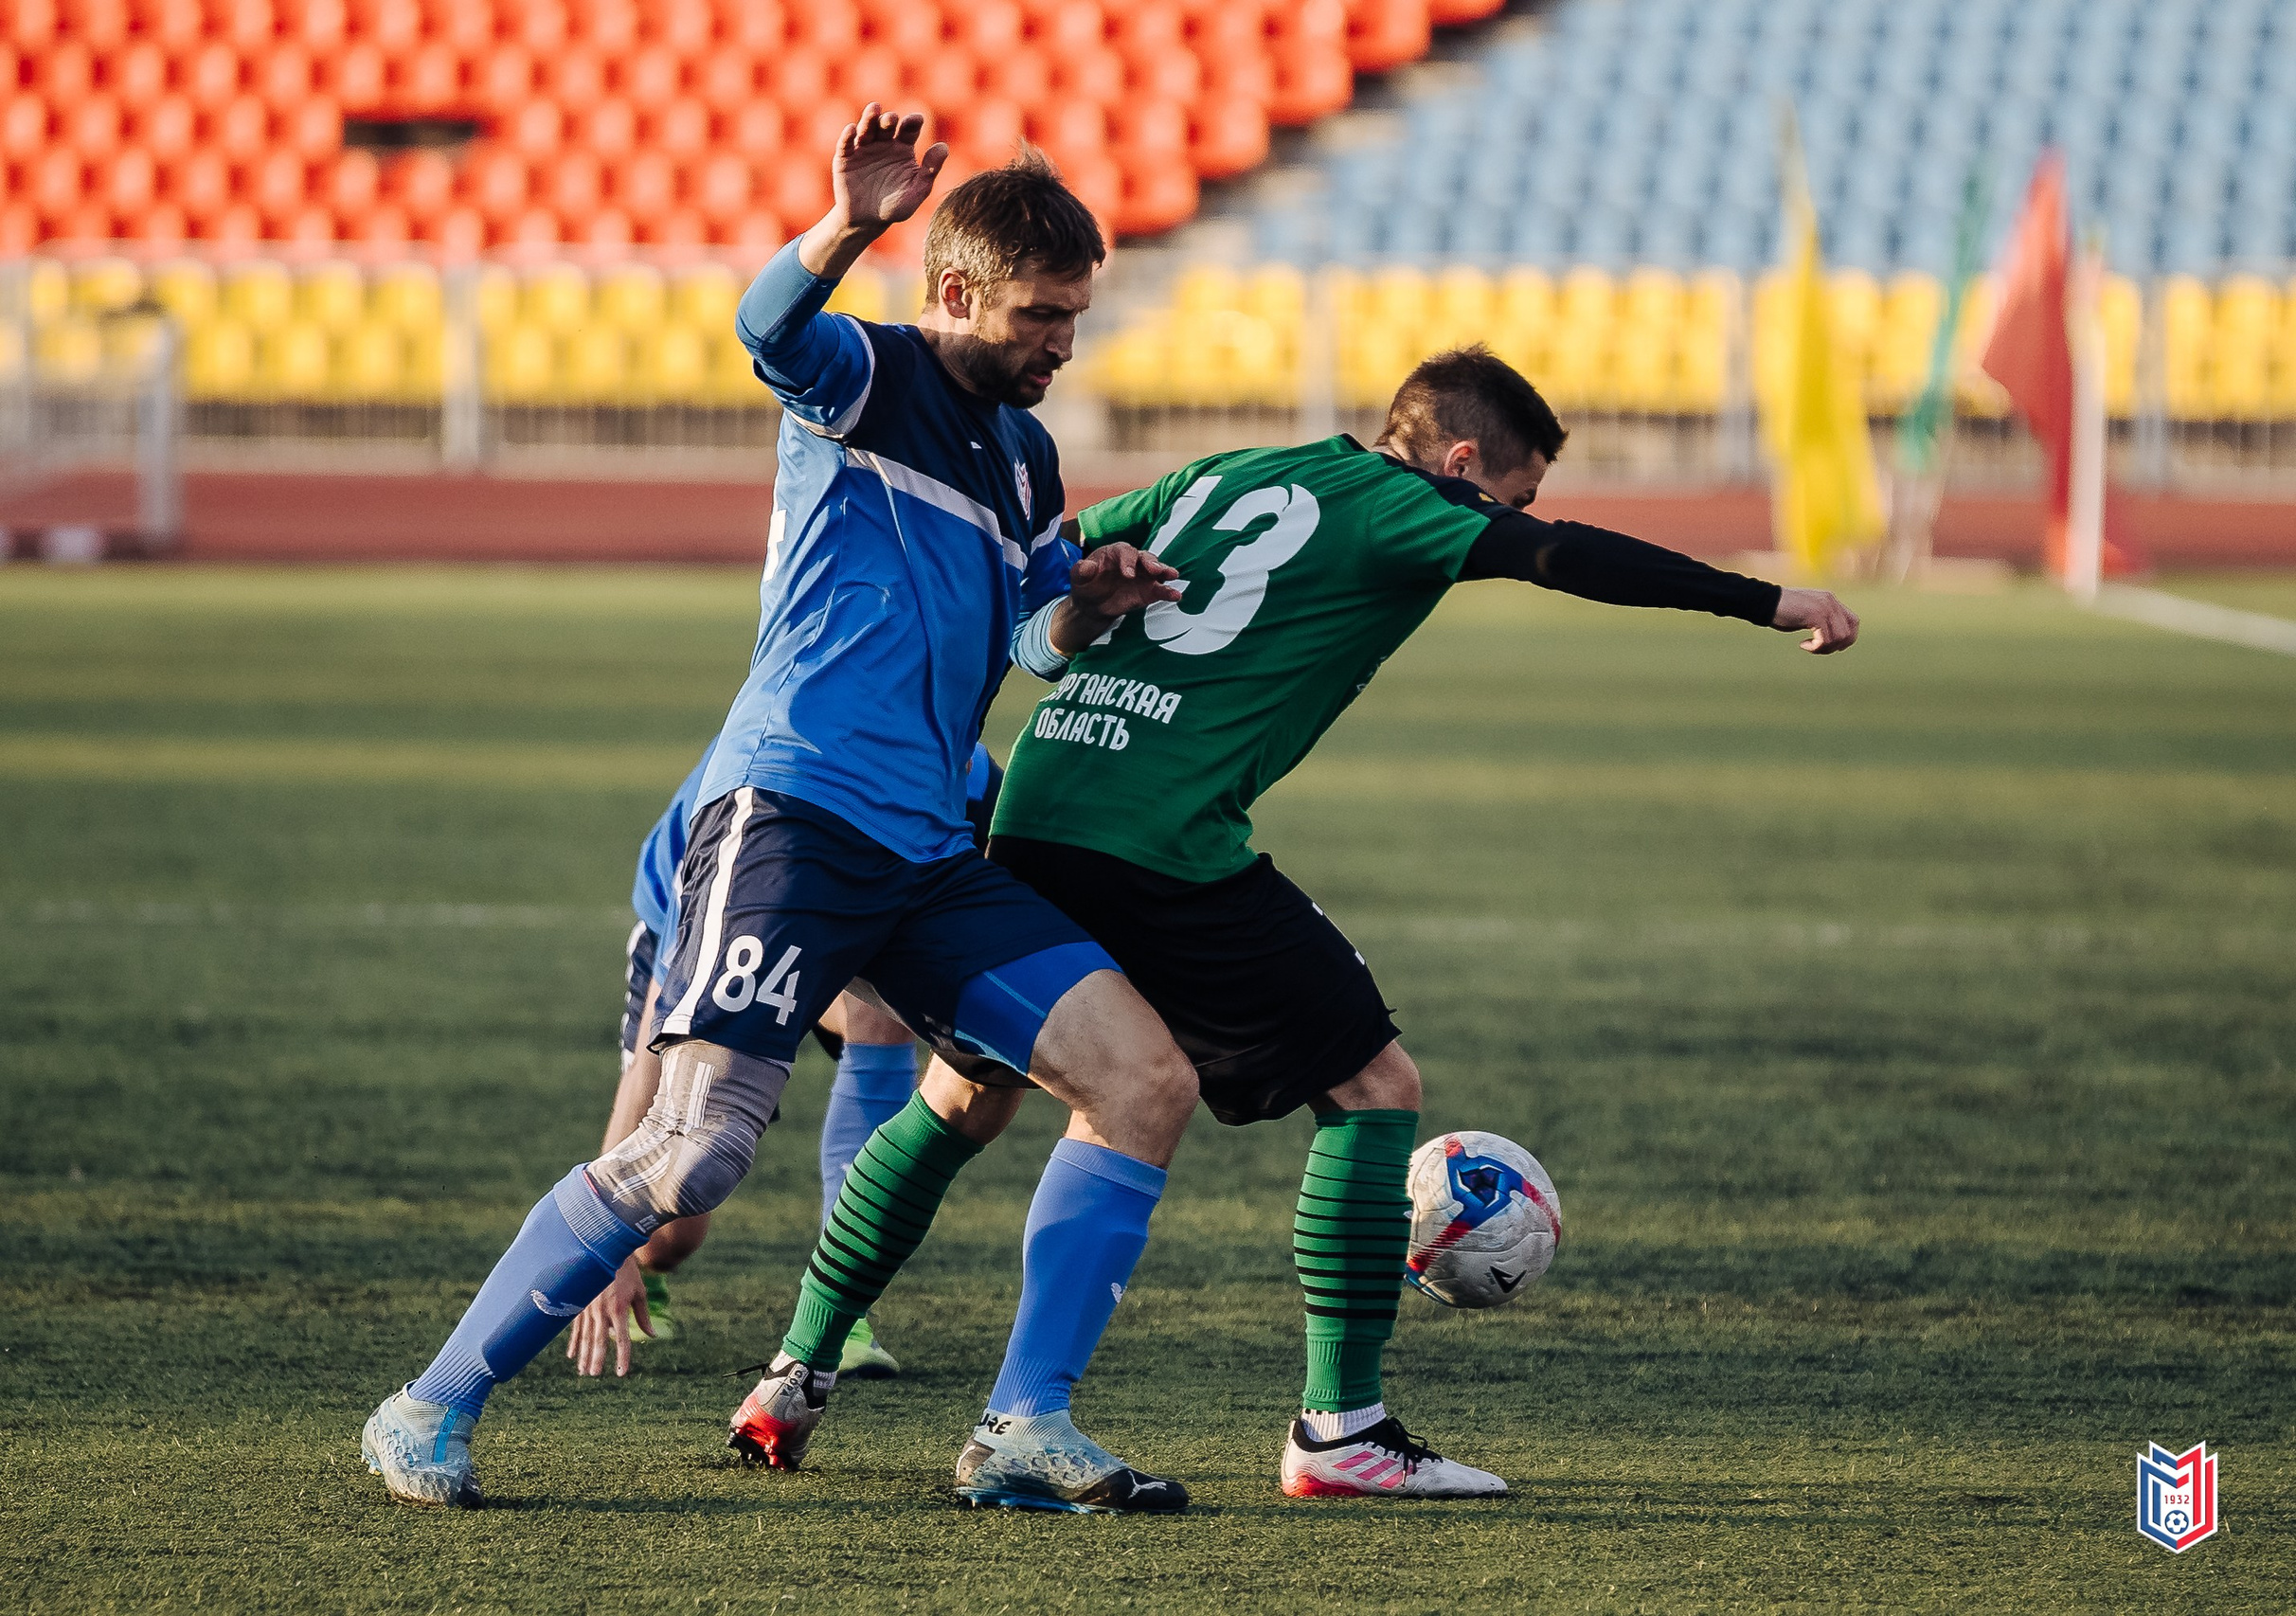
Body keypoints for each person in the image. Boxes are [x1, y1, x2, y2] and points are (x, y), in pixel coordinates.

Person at [753, 346, 1859, 1500]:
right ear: (1465, 459)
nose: (1505, 516)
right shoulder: (1408, 500)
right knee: (1373, 1085)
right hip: (1160, 840)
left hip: (1039, 810)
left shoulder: (1223, 475)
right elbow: (1559, 555)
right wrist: (1767, 598)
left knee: (964, 1096)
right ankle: (1341, 1429)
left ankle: (795, 1370)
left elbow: (1044, 576)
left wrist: (1079, 608)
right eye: (1507, 491)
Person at [361, 109, 1202, 1516]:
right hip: (796, 810)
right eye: (1044, 317)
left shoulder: (1024, 459)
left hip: (930, 845)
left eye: (1077, 316)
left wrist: (1087, 604)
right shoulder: (866, 374)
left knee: (1144, 1081)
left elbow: (1030, 641)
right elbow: (764, 325)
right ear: (954, 294)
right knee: (691, 1151)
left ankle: (1021, 1428)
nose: (1066, 343)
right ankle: (427, 1404)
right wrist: (847, 225)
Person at [563, 742, 1008, 1380]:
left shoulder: (963, 769)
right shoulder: (759, 781)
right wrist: (610, 1248)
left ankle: (842, 1316)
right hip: (709, 936)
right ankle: (643, 1263)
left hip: (860, 929)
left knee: (882, 1020)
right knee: (671, 1231)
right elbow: (663, 1027)